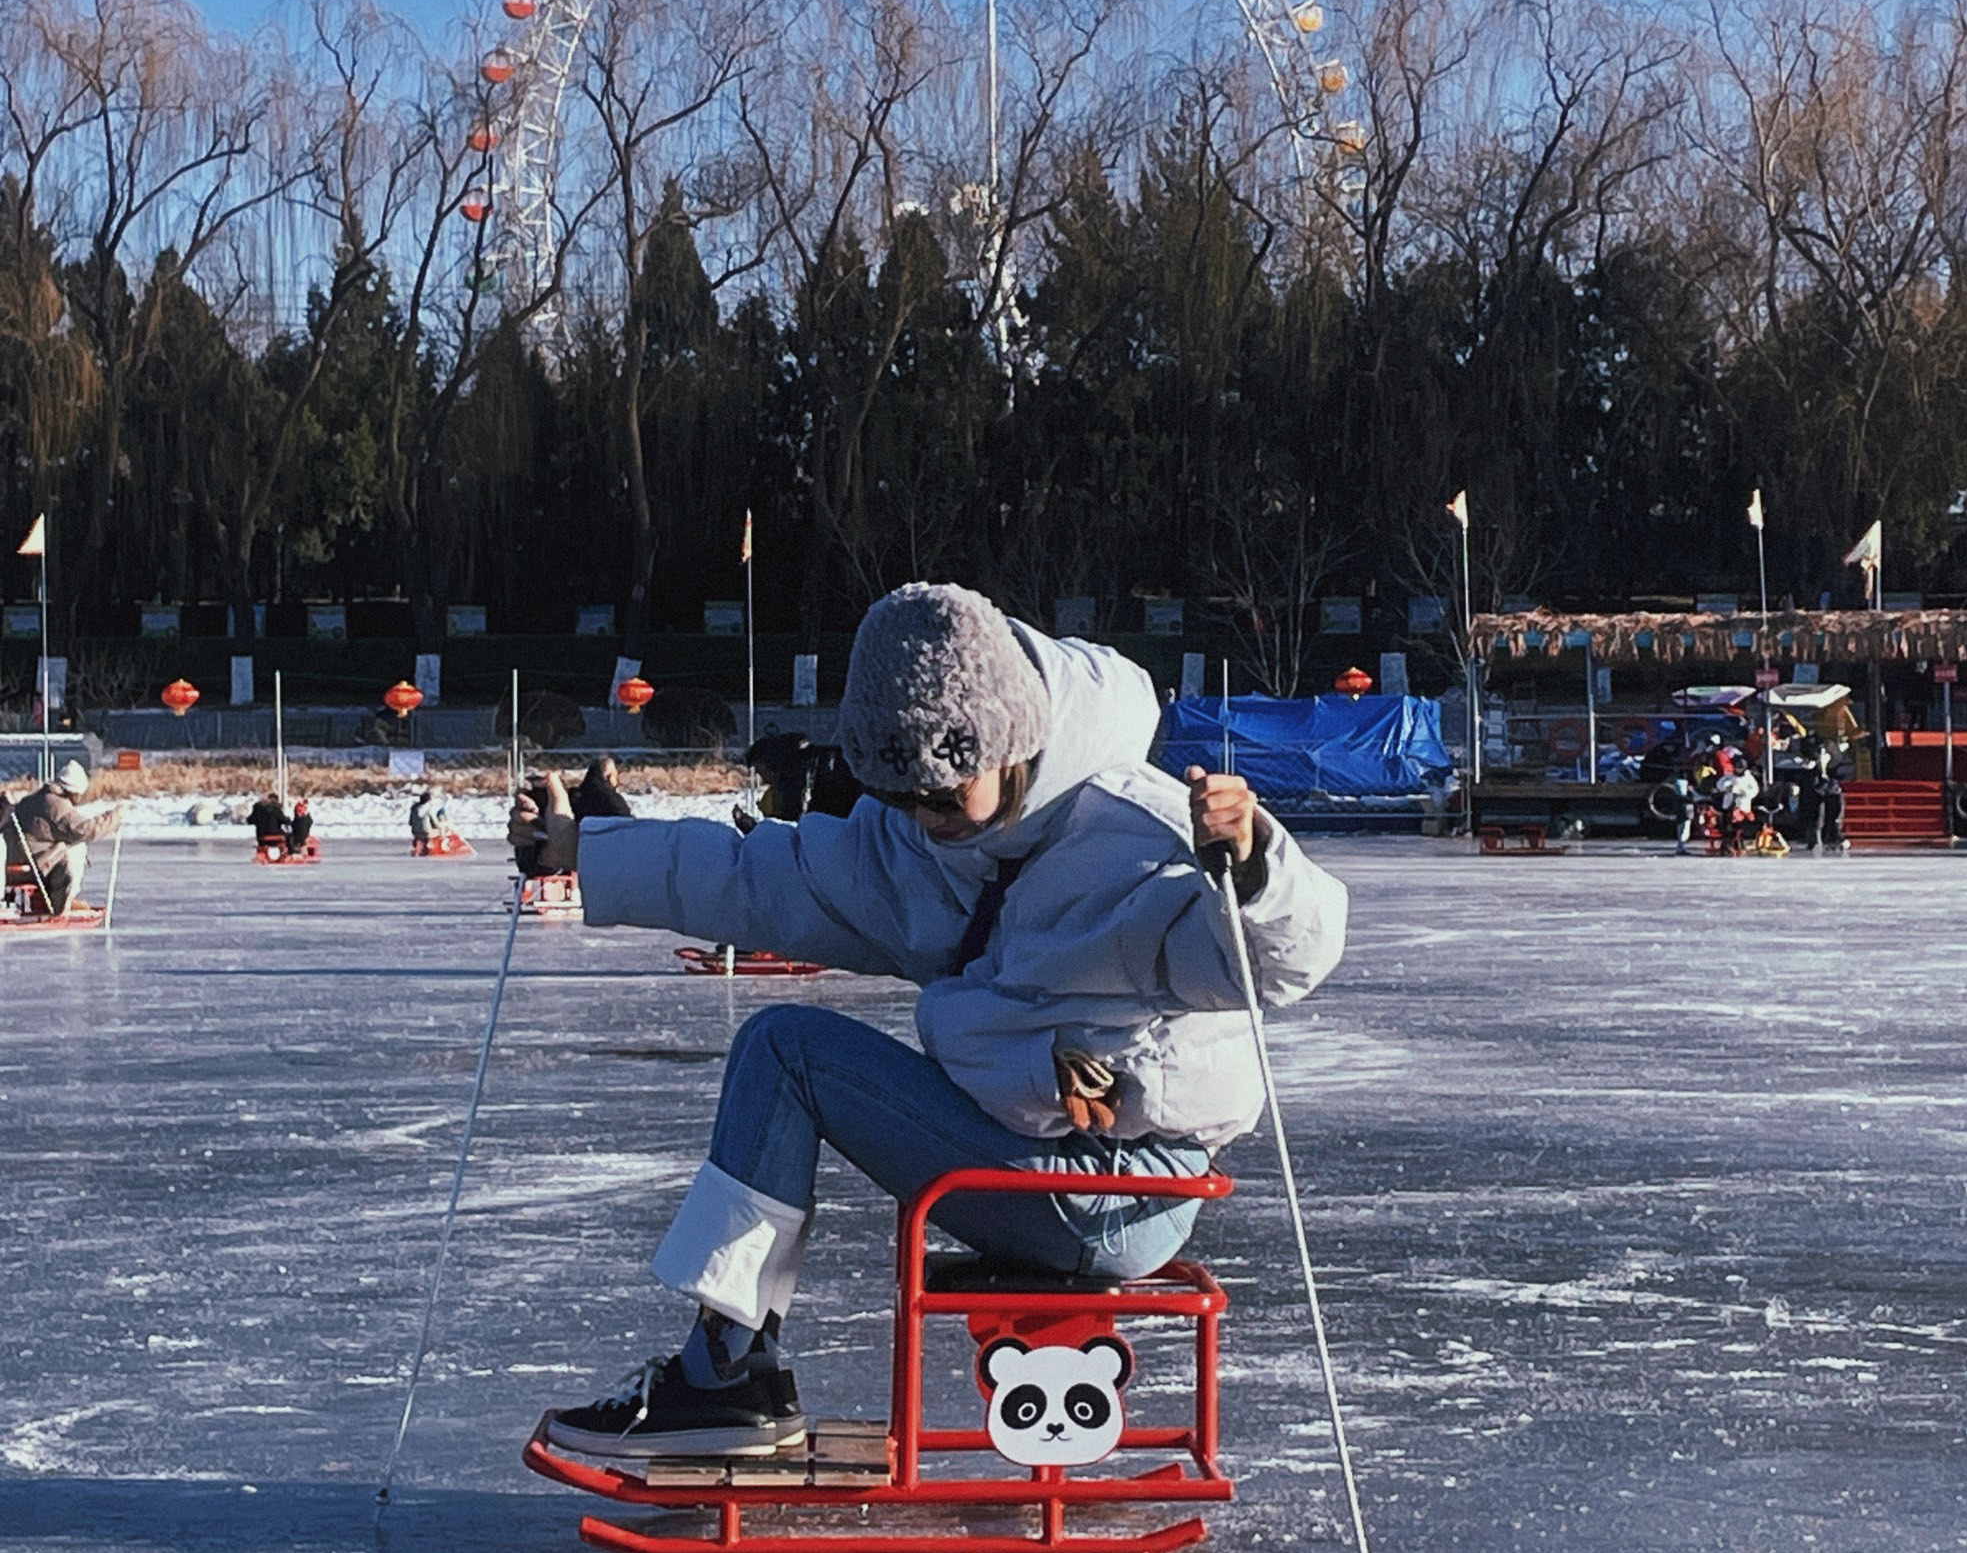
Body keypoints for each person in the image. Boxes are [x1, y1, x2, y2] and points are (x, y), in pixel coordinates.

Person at [515, 582, 1350, 1462]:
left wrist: (1256, 866)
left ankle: (728, 1372)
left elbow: (1273, 965)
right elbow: (762, 877)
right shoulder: (913, 837)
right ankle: (733, 1365)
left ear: (1011, 743)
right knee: (786, 1045)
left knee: (789, 1052)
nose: (924, 821)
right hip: (1043, 1154)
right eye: (900, 794)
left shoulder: (1135, 837)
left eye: (945, 796)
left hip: (1122, 1186)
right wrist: (584, 850)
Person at [9, 761, 116, 912]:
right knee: (75, 848)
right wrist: (114, 817)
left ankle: (60, 898)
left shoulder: (35, 798)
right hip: (31, 866)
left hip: (14, 861)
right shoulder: (55, 804)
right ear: (74, 792)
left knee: (62, 845)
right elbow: (85, 830)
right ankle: (63, 902)